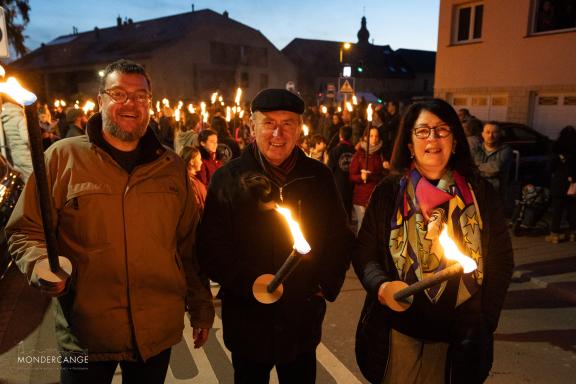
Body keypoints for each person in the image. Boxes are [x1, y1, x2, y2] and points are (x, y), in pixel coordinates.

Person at [5, 59, 214, 384]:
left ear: (150, 104)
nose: (130, 103)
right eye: (119, 93)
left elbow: (187, 245)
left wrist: (201, 306)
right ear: (101, 100)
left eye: (140, 96)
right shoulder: (62, 158)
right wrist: (41, 264)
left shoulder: (171, 168)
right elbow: (24, 230)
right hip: (86, 335)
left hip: (155, 333)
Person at [197, 88, 353, 384]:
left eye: (288, 124)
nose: (277, 133)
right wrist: (248, 284)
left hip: (301, 317)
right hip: (247, 317)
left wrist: (323, 285)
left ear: (299, 129)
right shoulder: (228, 178)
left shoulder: (318, 177)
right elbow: (211, 246)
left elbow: (339, 236)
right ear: (252, 126)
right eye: (268, 123)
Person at [353, 98, 514, 384]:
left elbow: (500, 261)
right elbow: (365, 252)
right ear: (409, 143)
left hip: (458, 337)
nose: (433, 139)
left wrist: (485, 320)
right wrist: (381, 285)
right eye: (423, 131)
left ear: (455, 140)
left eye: (442, 130)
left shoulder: (480, 193)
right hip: (399, 332)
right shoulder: (390, 191)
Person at [349, 126, 386, 234]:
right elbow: (351, 176)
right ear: (366, 137)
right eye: (371, 136)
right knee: (364, 225)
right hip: (361, 198)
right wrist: (361, 177)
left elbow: (381, 177)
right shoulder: (359, 154)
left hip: (375, 196)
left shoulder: (380, 154)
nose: (374, 138)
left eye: (376, 136)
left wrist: (386, 168)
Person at [546, 125, 576, 243]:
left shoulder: (557, 151)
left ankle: (555, 235)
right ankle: (573, 233)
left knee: (557, 210)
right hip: (574, 185)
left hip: (559, 183)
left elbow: (551, 168)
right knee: (573, 210)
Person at [472, 121, 513, 197]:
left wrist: (476, 167)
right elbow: (469, 167)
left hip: (497, 194)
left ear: (500, 134)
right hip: (478, 191)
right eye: (487, 132)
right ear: (482, 134)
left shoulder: (506, 150)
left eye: (495, 132)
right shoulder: (476, 149)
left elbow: (497, 168)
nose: (491, 136)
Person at [0, 94, 33, 181]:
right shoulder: (20, 117)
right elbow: (27, 138)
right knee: (33, 182)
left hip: (15, 155)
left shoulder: (4, 118)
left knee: (24, 182)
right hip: (26, 155)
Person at [328, 125, 355, 221]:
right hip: (351, 183)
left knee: (339, 207)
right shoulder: (354, 150)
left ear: (340, 136)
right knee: (348, 207)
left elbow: (330, 169)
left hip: (338, 183)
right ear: (351, 137)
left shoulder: (335, 151)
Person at [181, 145, 207, 212]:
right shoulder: (190, 181)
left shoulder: (192, 178)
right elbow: (196, 204)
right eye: (199, 159)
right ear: (192, 162)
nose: (202, 162)